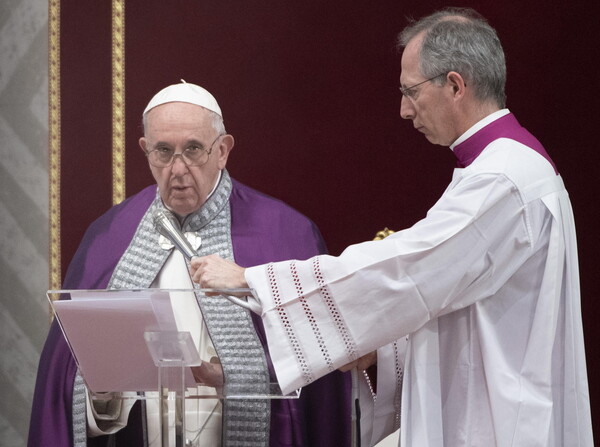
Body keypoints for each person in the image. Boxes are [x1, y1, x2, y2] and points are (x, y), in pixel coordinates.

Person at [190, 8, 594, 446]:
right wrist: (376, 346)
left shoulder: (503, 178)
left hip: (495, 420)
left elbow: (409, 269)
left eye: (411, 91)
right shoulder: (504, 168)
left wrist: (252, 279)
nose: (404, 110)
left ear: (455, 85)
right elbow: (448, 295)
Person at [28, 82, 351, 446]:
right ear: (144, 150)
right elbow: (65, 375)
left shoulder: (286, 234)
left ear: (223, 150)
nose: (177, 169)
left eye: (193, 149)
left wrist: (236, 374)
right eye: (163, 152)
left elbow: (321, 371)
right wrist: (102, 394)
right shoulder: (108, 237)